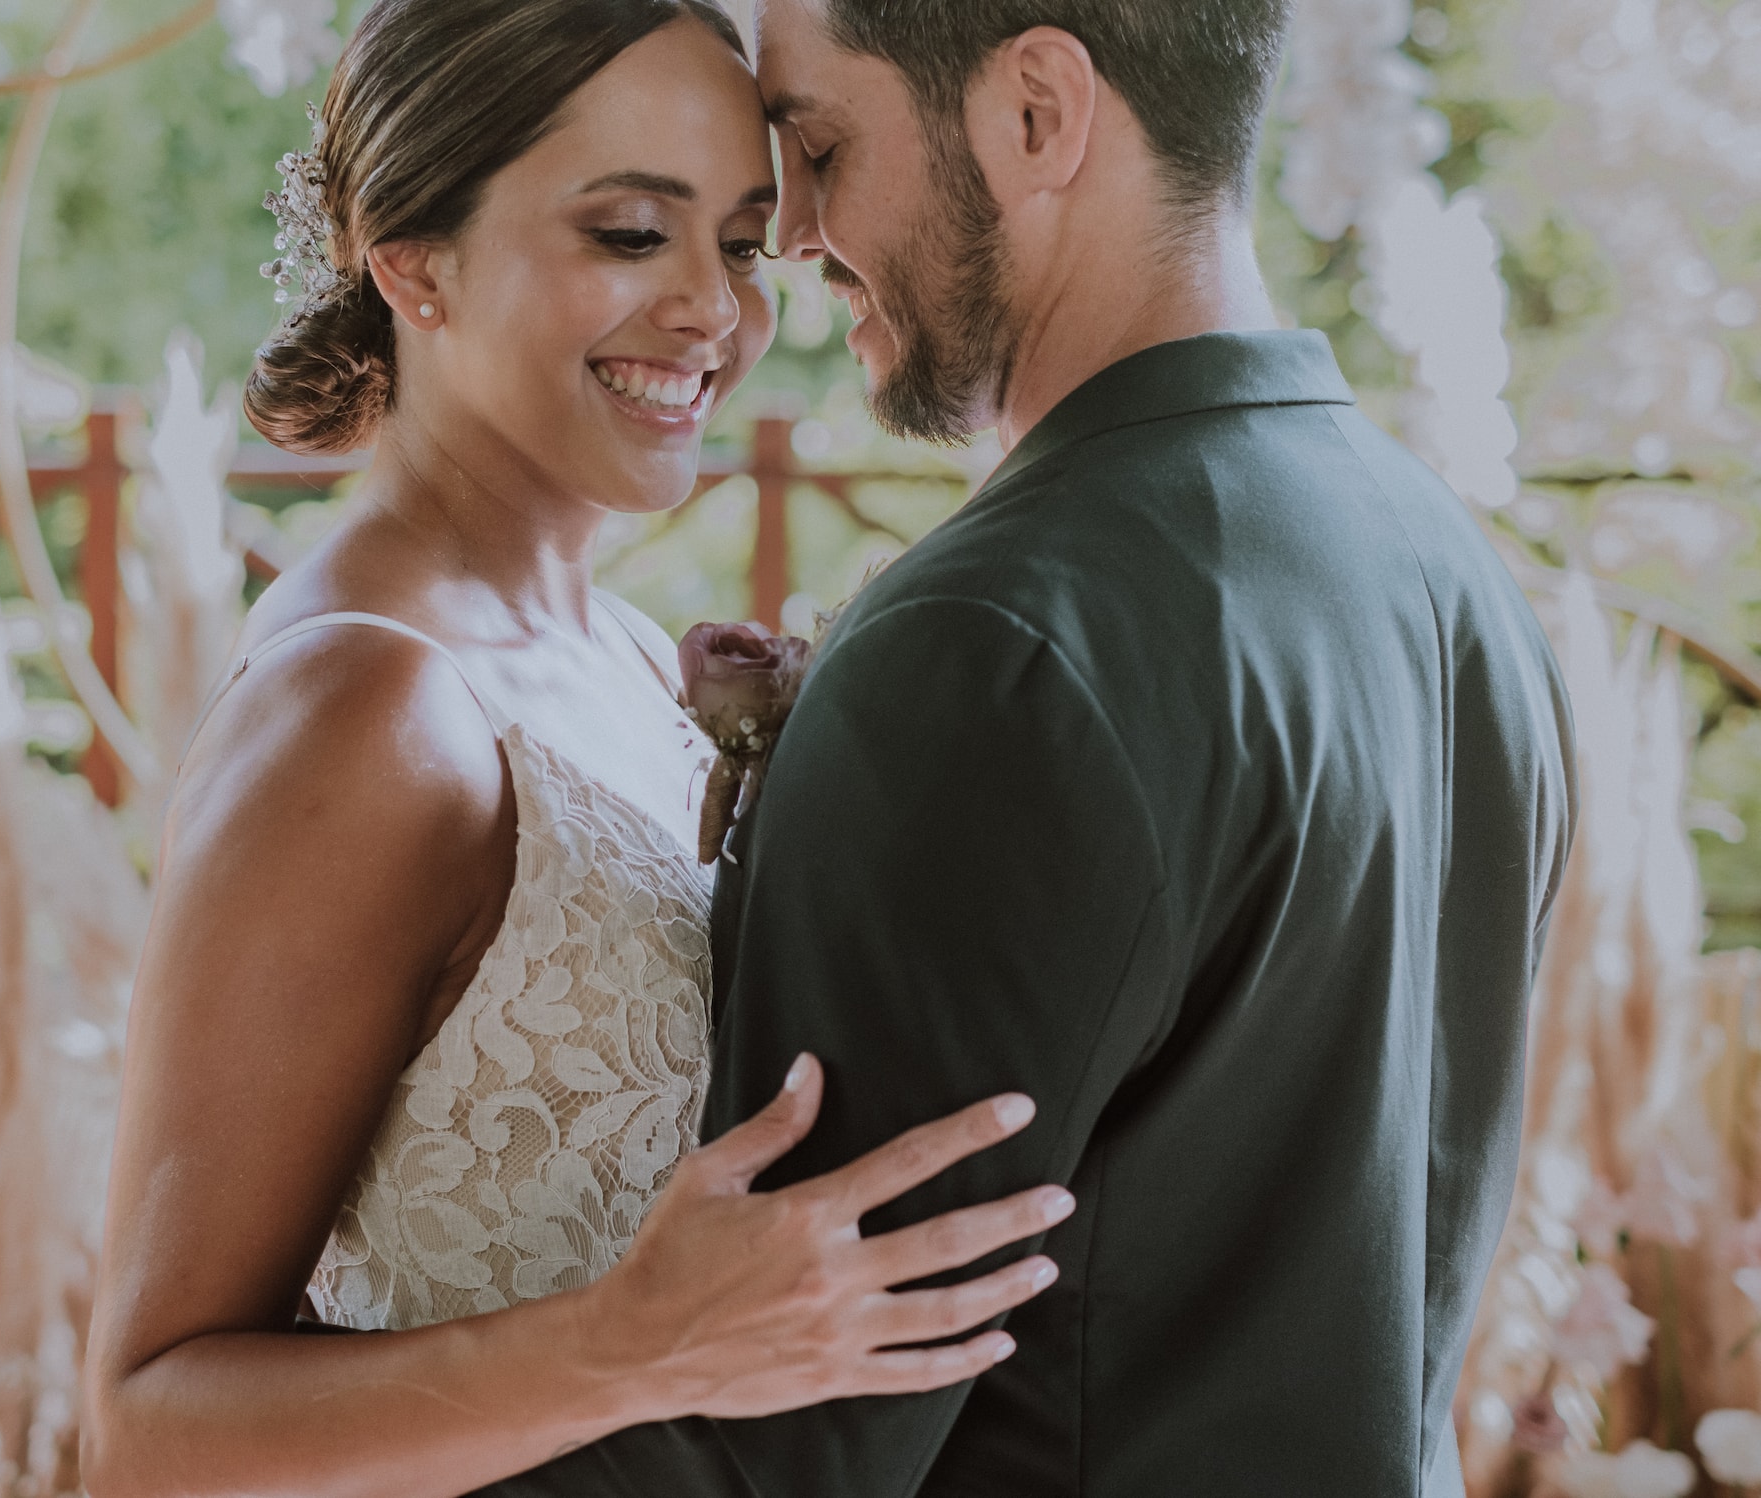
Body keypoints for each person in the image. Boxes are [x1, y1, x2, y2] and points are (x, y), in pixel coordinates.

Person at [473, 0, 1578, 1494]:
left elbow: (770, 1458)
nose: (786, 238)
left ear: (1037, 113)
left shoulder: (993, 646)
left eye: (817, 143)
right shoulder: (1450, 571)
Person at [80, 4, 1076, 1496]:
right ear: (410, 258)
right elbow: (151, 1432)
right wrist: (637, 1344)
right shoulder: (369, 709)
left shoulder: (616, 648)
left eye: (740, 246)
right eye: (628, 235)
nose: (711, 314)